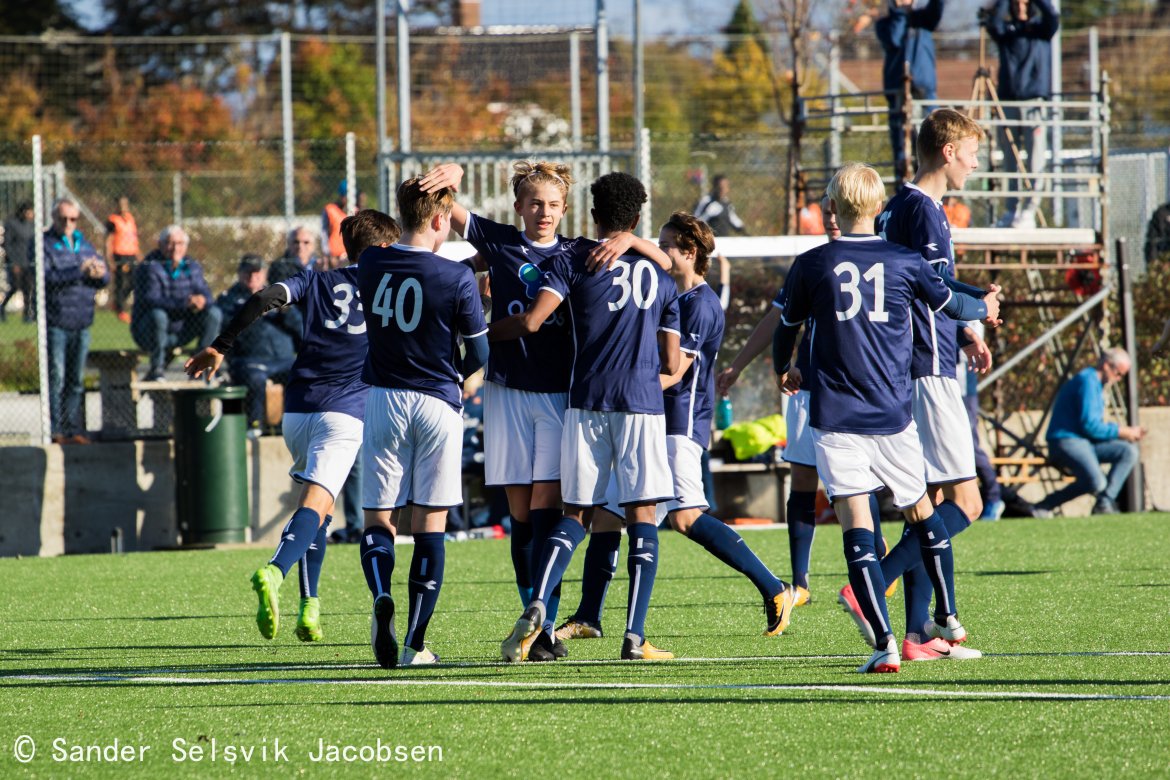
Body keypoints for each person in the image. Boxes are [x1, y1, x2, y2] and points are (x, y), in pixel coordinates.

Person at [417, 160, 672, 662]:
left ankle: (546, 620)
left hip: (561, 396)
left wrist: (632, 241)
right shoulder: (499, 242)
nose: (544, 213)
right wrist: (453, 173)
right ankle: (539, 629)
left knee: (547, 508)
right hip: (507, 391)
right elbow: (444, 206)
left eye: (554, 205)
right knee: (520, 517)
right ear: (518, 206)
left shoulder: (581, 252)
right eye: (535, 203)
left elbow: (665, 262)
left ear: (567, 209)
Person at [772, 162, 999, 673]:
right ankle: (949, 617)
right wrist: (985, 307)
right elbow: (951, 305)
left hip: (835, 417)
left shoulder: (811, 264)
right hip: (894, 415)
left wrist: (784, 368)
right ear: (879, 209)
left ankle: (885, 645)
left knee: (856, 524)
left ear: (831, 207)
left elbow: (786, 326)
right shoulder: (904, 260)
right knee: (923, 513)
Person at [186, 209, 400, 645]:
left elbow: (261, 298)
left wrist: (220, 346)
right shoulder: (393, 288)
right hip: (345, 414)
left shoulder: (317, 280)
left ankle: (310, 607)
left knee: (318, 510)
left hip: (297, 411)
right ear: (381, 249)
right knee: (315, 506)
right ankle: (274, 569)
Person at [497, 172, 681, 663]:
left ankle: (538, 603)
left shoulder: (571, 260)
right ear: (637, 219)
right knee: (641, 515)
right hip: (641, 402)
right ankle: (634, 637)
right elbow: (671, 359)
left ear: (592, 215)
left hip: (585, 398)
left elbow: (536, 319)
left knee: (575, 513)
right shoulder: (659, 273)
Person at [859, 108, 1001, 661]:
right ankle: (872, 585)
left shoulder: (897, 207)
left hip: (916, 359)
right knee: (966, 500)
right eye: (970, 152)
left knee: (930, 499)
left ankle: (919, 630)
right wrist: (977, 307)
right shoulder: (924, 210)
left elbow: (920, 287)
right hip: (928, 366)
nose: (973, 163)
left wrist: (966, 327)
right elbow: (934, 284)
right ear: (947, 151)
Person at [356, 180, 490, 668]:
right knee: (431, 522)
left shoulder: (372, 262)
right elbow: (479, 352)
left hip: (384, 399)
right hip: (437, 402)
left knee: (379, 516)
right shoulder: (455, 277)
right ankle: (416, 641)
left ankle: (379, 596)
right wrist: (455, 375)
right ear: (440, 220)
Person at [658, 211, 797, 633]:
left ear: (689, 251)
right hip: (660, 420)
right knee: (625, 515)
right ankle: (595, 616)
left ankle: (773, 586)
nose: (659, 251)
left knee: (684, 517)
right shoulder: (676, 297)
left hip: (681, 422)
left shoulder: (700, 305)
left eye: (666, 244)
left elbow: (677, 371)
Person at [716, 193, 841, 607]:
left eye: (841, 209)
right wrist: (739, 365)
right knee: (804, 477)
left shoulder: (888, 258)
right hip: (809, 387)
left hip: (861, 390)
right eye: (828, 211)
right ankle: (800, 582)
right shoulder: (811, 263)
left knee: (857, 485)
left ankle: (882, 566)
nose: (833, 218)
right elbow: (779, 317)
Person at [1032, 349, 1143, 517]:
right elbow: (1090, 426)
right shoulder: (1087, 382)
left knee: (1128, 451)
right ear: (1106, 366)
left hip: (1084, 442)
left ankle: (1105, 502)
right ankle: (1044, 506)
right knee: (1096, 482)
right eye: (1118, 373)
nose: (1118, 379)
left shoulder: (1097, 385)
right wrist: (1122, 431)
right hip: (1066, 441)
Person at [987, 0, 1060, 229]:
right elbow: (993, 23)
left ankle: (1029, 210)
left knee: (1035, 159)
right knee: (1010, 160)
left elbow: (1052, 15)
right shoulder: (1006, 32)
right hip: (1008, 101)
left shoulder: (1041, 29)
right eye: (1016, 3)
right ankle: (1011, 209)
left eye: (1024, 3)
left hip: (1034, 102)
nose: (1020, 7)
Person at [43, 198, 109, 444]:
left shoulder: (84, 244)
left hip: (82, 321)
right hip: (57, 321)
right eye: (63, 219)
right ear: (54, 219)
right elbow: (45, 277)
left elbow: (103, 277)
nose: (69, 224)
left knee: (76, 380)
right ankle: (55, 429)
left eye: (73, 219)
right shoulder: (44, 244)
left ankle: (72, 428)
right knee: (57, 378)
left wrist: (99, 275)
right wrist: (78, 272)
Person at [214, 256, 300, 430]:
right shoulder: (229, 299)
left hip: (282, 358)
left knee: (302, 374)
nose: (253, 277)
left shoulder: (278, 294)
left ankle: (292, 425)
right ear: (239, 274)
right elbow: (224, 327)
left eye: (257, 272)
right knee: (255, 379)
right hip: (249, 360)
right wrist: (248, 312)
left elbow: (301, 328)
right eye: (248, 272)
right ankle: (256, 425)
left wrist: (285, 312)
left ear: (264, 274)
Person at [131, 226, 222, 381]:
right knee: (158, 316)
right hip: (149, 331)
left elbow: (205, 292)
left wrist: (203, 301)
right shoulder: (149, 267)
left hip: (182, 329)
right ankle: (157, 370)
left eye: (180, 243)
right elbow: (151, 299)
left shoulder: (192, 266)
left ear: (186, 246)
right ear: (160, 244)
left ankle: (200, 369)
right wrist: (185, 303)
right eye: (170, 243)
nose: (175, 248)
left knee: (214, 314)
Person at [876, 0, 943, 185]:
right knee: (902, 146)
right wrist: (900, 13)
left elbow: (936, 11)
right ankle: (904, 187)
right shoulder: (884, 24)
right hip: (898, 92)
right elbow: (894, 38)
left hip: (925, 90)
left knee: (934, 139)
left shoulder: (923, 19)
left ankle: (934, 187)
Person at [105, 195, 141, 323]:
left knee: (134, 281)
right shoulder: (113, 220)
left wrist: (138, 254)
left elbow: (134, 238)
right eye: (120, 204)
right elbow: (108, 240)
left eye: (125, 204)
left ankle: (118, 303)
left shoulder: (130, 219)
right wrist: (110, 259)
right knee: (120, 283)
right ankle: (120, 309)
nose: (123, 207)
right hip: (119, 255)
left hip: (131, 254)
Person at [2, 202, 36, 322]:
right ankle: (2, 307)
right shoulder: (12, 224)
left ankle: (27, 315)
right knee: (15, 286)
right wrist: (13, 262)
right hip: (16, 262)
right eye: (28, 211)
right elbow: (7, 244)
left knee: (28, 288)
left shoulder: (31, 225)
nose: (31, 214)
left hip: (28, 261)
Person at [321, 184, 348, 267]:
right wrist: (326, 252)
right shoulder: (330, 209)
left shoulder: (355, 210)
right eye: (345, 196)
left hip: (349, 253)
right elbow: (324, 231)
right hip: (334, 254)